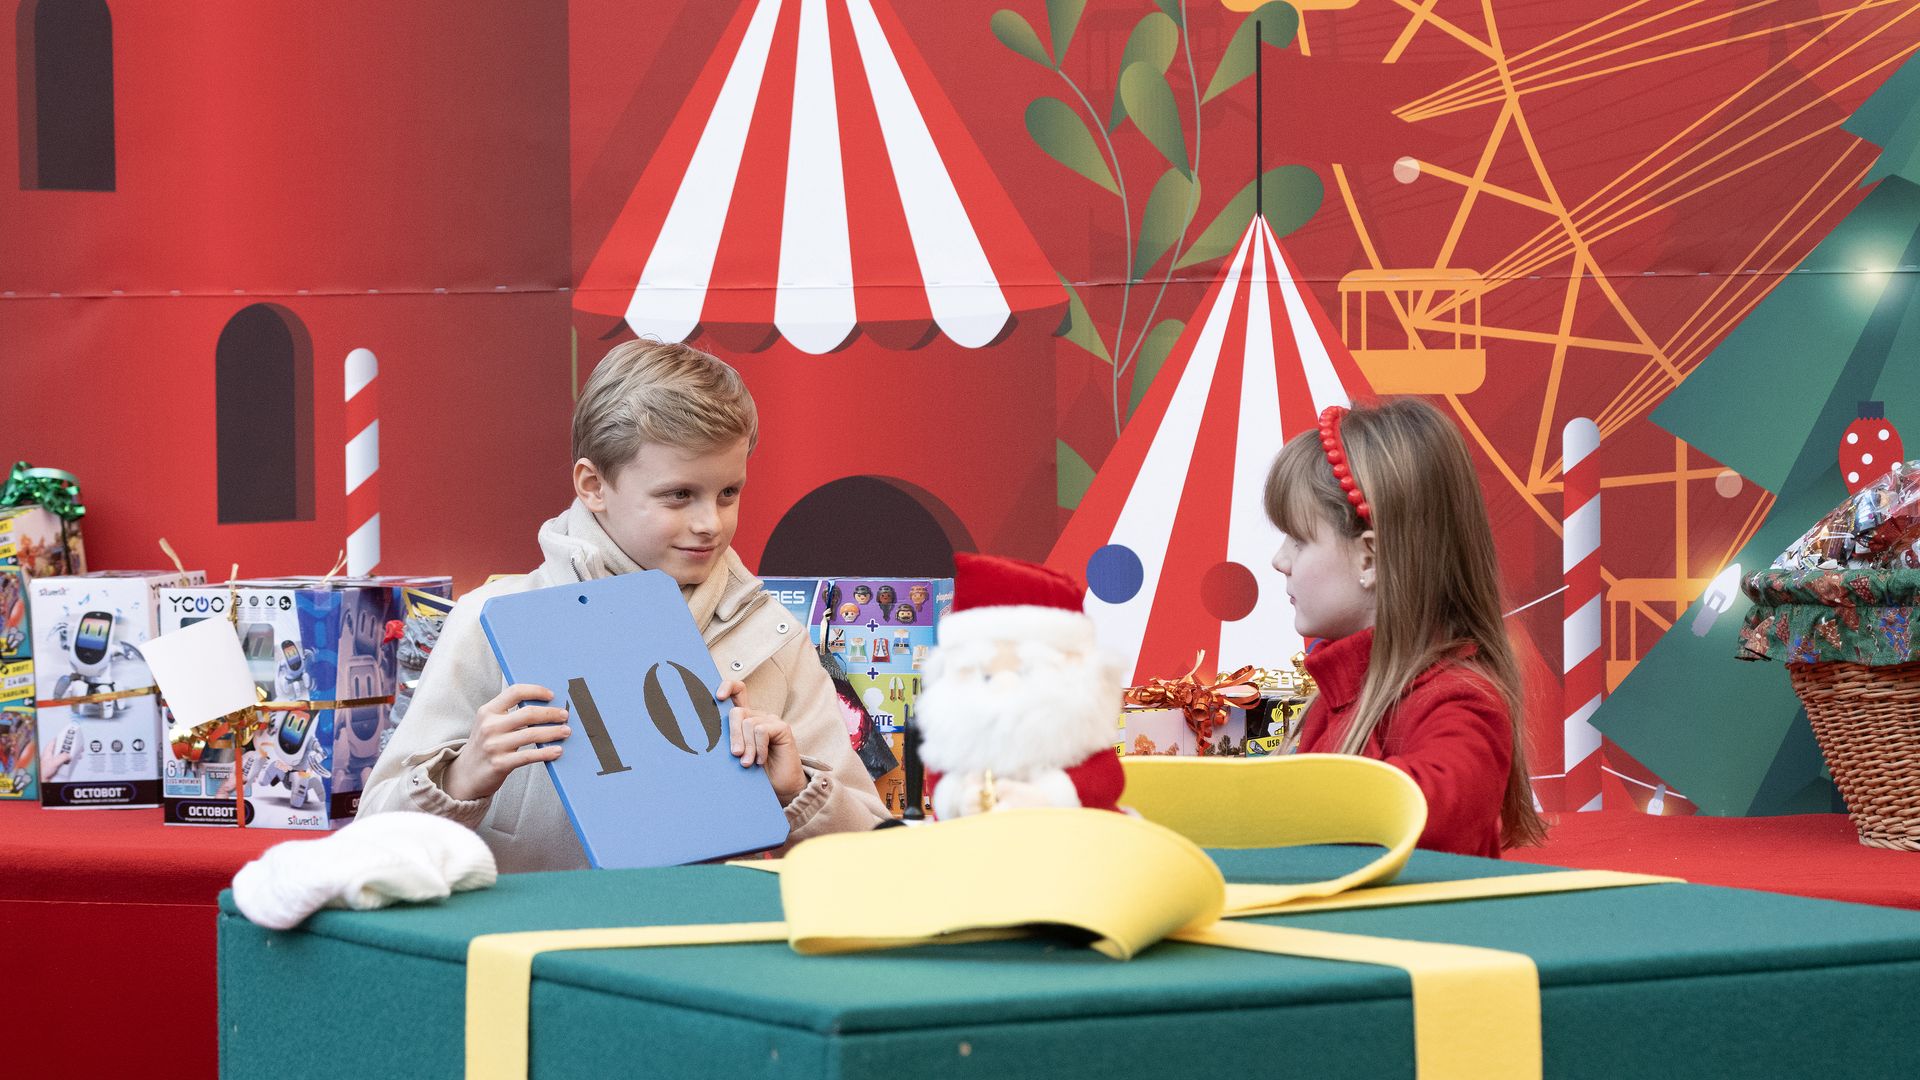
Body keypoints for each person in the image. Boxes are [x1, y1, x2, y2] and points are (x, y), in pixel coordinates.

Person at [359, 340, 888, 871]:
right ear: (593, 485)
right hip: (529, 945)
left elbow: (873, 856)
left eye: (729, 492)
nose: (710, 522)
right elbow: (371, 844)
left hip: (710, 942)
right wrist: (461, 777)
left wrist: (797, 792)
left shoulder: (773, 636)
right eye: (679, 495)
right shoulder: (489, 620)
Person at [1266, 398, 1546, 857]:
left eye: (1298, 539)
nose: (1279, 561)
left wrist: (1279, 798)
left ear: (1370, 558)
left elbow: (1432, 811)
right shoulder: (1334, 699)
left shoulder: (1459, 699)